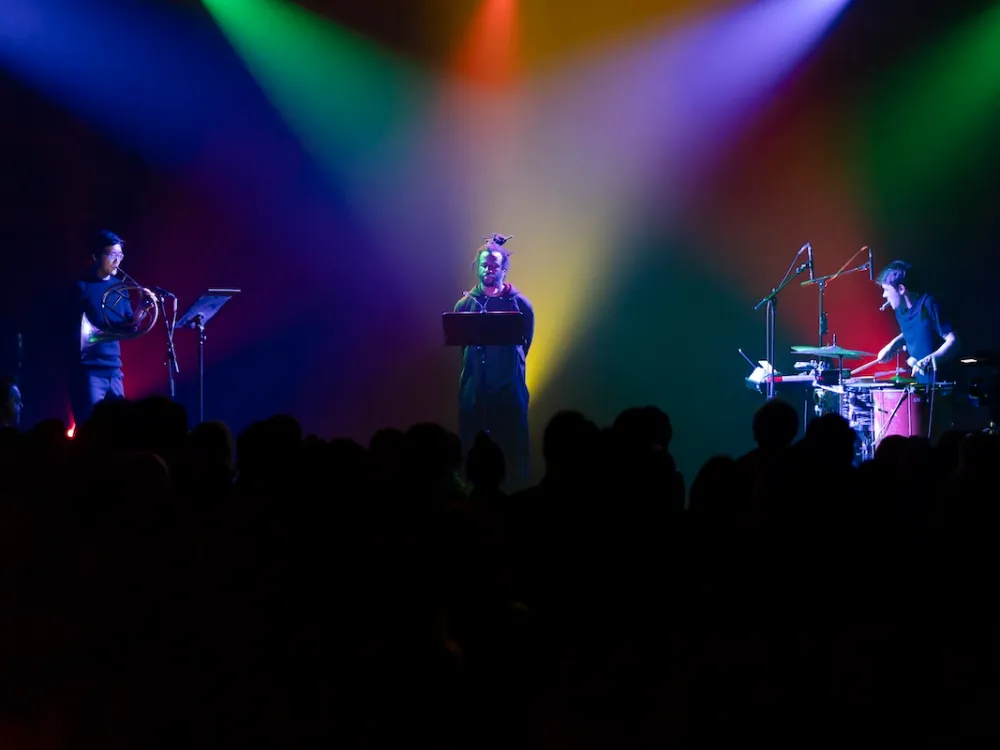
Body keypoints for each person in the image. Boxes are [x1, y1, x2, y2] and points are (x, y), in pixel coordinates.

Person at [453, 233, 535, 489]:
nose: (488, 269)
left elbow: (525, 343)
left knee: (512, 451)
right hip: (475, 395)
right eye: (484, 265)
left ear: (504, 269)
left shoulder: (520, 304)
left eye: (494, 265)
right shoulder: (465, 304)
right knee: (472, 451)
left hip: (509, 393)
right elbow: (462, 348)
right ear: (477, 267)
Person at [66, 229, 154, 427]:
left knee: (121, 428)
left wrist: (144, 307)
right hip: (88, 370)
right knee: (90, 429)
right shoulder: (81, 287)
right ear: (96, 256)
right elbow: (70, 331)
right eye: (112, 255)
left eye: (120, 255)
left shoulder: (120, 287)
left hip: (114, 369)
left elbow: (130, 327)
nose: (117, 261)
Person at [875, 260, 959, 380]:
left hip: (942, 385)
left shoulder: (929, 305)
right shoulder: (900, 311)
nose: (884, 295)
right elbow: (914, 331)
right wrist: (893, 345)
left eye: (887, 290)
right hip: (921, 383)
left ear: (901, 289)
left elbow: (954, 342)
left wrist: (930, 360)